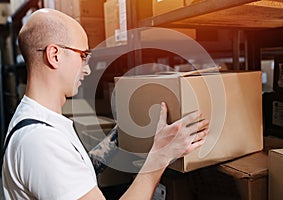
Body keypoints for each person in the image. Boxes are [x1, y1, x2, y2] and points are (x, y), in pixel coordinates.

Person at [2, 8, 209, 200]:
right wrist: (161, 156)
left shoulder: (38, 119)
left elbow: (77, 170)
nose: (87, 69)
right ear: (54, 55)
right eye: (83, 56)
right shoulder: (41, 141)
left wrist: (123, 131)